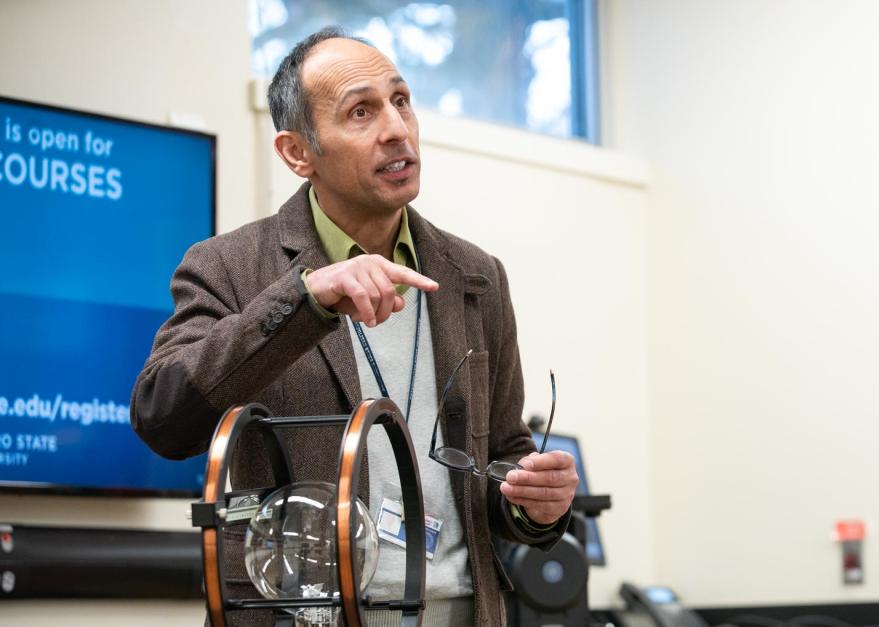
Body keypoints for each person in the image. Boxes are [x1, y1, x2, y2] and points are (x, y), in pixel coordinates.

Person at [130, 26, 578, 627]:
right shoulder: (229, 267)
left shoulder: (476, 276)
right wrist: (305, 298)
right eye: (361, 111)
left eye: (401, 101)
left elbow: (501, 454)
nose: (396, 127)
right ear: (298, 153)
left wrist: (536, 505)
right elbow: (162, 417)